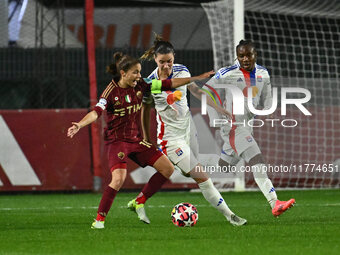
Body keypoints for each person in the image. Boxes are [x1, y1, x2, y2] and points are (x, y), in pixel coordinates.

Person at [67, 52, 214, 229]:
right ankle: (99, 220)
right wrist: (80, 125)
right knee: (118, 179)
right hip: (117, 141)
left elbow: (169, 83)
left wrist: (195, 78)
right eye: (135, 72)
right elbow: (96, 112)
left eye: (139, 72)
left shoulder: (142, 85)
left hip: (135, 140)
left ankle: (139, 201)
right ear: (123, 73)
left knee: (167, 168)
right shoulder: (110, 92)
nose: (139, 76)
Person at [132, 35, 247, 226]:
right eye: (162, 62)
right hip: (170, 138)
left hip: (188, 130)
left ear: (174, 57)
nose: (167, 66)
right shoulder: (150, 83)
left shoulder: (181, 71)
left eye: (169, 61)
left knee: (190, 173)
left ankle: (141, 198)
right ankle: (231, 216)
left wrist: (219, 108)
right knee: (202, 176)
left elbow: (196, 91)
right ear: (155, 60)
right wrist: (146, 137)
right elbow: (145, 110)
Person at [204, 40, 295, 217]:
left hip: (247, 126)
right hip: (233, 127)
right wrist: (216, 117)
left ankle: (191, 165)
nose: (245, 59)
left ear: (255, 55)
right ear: (237, 56)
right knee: (257, 159)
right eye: (241, 55)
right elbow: (207, 90)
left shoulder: (263, 73)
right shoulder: (227, 73)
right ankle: (274, 202)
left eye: (248, 55)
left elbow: (267, 99)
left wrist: (268, 112)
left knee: (223, 167)